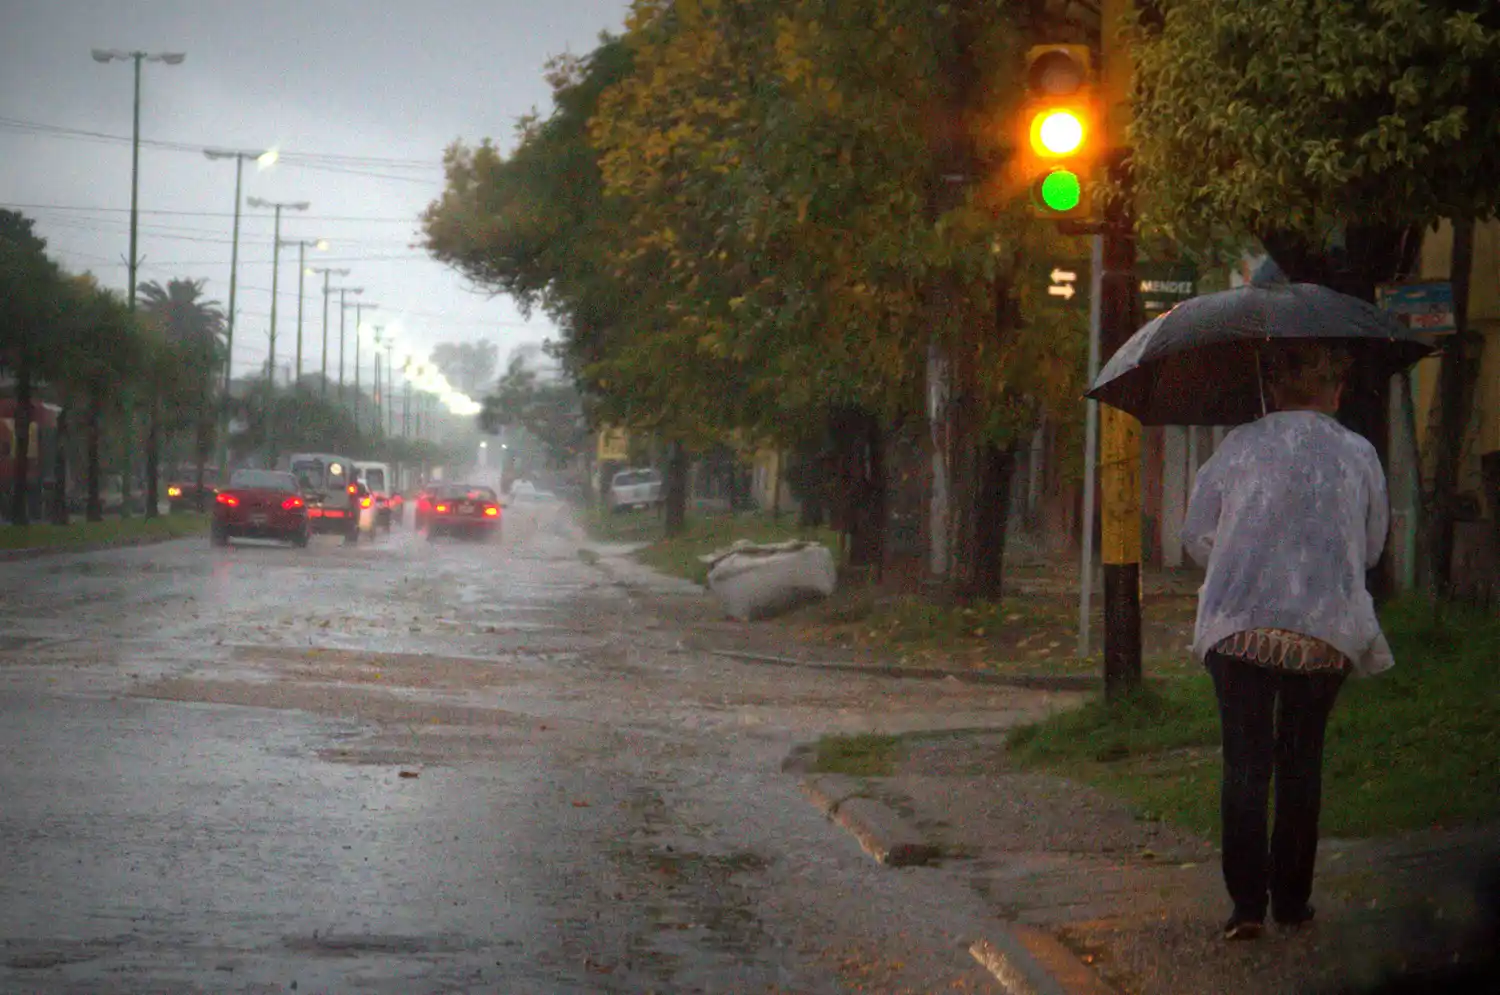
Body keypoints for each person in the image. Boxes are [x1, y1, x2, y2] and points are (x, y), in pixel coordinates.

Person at [1181, 342, 1394, 942]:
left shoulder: (1239, 446)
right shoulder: (1359, 455)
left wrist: (1239, 558)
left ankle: (1246, 907)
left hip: (1239, 624)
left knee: (1245, 762)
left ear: (1274, 390)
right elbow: (1373, 546)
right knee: (1301, 762)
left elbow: (1197, 536)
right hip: (1324, 631)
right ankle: (1293, 902)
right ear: (1335, 392)